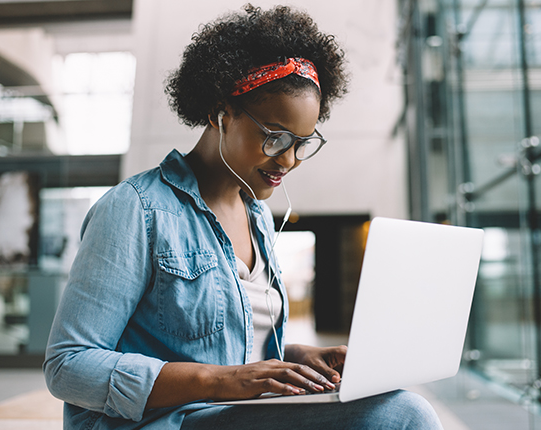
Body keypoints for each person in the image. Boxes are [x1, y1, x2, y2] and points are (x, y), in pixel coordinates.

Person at [44, 5, 444, 430]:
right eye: (275, 138)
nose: (288, 160)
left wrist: (296, 357)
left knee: (393, 402)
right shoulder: (135, 210)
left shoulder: (258, 218)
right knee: (402, 417)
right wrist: (217, 381)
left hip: (232, 416)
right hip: (166, 422)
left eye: (302, 144)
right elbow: (69, 365)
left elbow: (227, 346)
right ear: (222, 115)